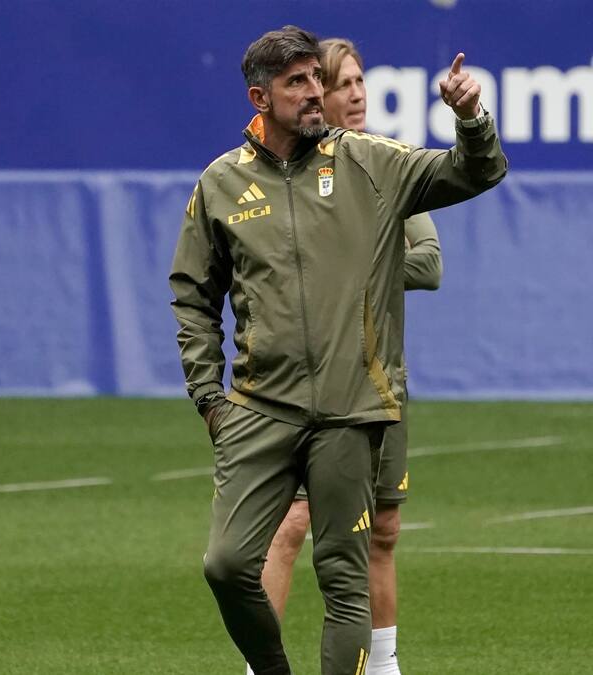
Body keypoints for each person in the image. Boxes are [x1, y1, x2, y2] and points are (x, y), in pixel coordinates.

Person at [169, 25, 505, 675]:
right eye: (297, 82)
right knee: (227, 563)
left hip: (352, 407)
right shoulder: (220, 184)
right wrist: (209, 397)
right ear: (259, 97)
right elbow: (191, 295)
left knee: (343, 580)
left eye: (315, 78)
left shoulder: (368, 161)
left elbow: (476, 171)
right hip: (259, 407)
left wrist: (471, 118)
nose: (315, 92)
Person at [249, 38, 442, 675]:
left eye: (361, 82)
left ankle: (382, 668)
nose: (357, 95)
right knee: (289, 526)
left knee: (381, 531)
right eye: (344, 84)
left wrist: (360, 262)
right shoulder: (277, 170)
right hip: (305, 389)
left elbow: (430, 263)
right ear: (314, 97)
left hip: (382, 380)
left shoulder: (385, 162)